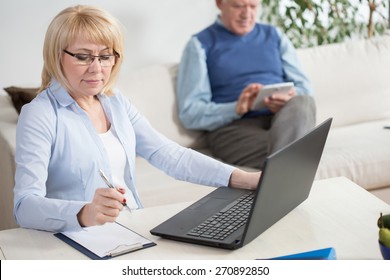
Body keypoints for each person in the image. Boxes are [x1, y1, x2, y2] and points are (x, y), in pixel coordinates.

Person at [13, 5, 260, 233]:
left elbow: (169, 155)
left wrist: (241, 178)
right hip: (80, 239)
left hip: (132, 229)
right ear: (57, 56)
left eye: (105, 56)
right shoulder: (40, 115)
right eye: (83, 56)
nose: (97, 68)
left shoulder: (115, 102)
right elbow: (24, 206)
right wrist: (84, 213)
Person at [176, 0, 316, 169]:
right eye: (238, 6)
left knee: (303, 102)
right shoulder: (199, 45)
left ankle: (282, 167)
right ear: (220, 3)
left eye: (253, 6)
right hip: (234, 129)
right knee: (295, 153)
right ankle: (293, 161)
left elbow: (305, 89)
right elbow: (190, 113)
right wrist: (236, 108)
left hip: (283, 121)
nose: (247, 14)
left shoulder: (275, 36)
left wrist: (288, 98)